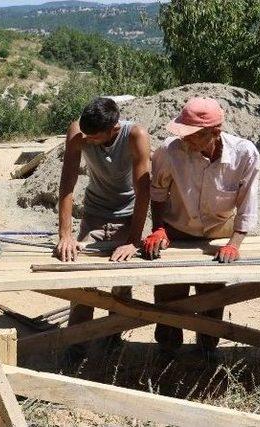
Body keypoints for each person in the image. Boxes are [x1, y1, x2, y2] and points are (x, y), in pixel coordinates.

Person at [144, 97, 260, 354]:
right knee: (169, 298)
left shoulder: (244, 154)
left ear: (214, 132)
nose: (184, 138)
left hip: (218, 236)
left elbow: (247, 203)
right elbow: (158, 193)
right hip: (177, 232)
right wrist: (158, 228)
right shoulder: (169, 151)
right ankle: (167, 354)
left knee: (211, 297)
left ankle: (206, 352)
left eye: (192, 134)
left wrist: (234, 244)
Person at [56, 97, 151, 332]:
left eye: (94, 137)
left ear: (113, 129)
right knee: (83, 283)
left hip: (128, 215)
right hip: (95, 213)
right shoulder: (78, 131)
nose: (86, 140)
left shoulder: (135, 135)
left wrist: (133, 240)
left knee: (121, 283)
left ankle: (114, 337)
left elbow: (144, 190)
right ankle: (77, 343)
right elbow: (68, 180)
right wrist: (65, 234)